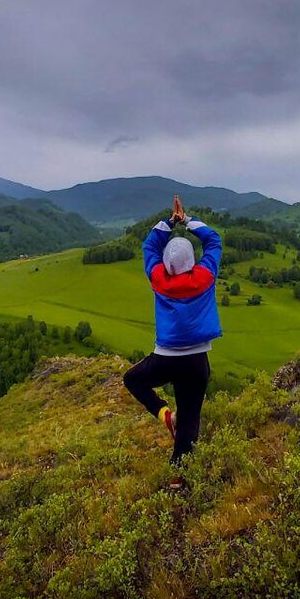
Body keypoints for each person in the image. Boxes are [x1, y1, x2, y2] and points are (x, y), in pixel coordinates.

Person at [122, 204, 222, 490]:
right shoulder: (205, 277)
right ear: (193, 260)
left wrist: (168, 222)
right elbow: (213, 240)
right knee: (191, 416)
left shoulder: (158, 279)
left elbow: (149, 246)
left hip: (165, 357)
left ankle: (165, 415)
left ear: (165, 262)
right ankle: (181, 479)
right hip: (196, 360)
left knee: (133, 380)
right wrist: (187, 220)